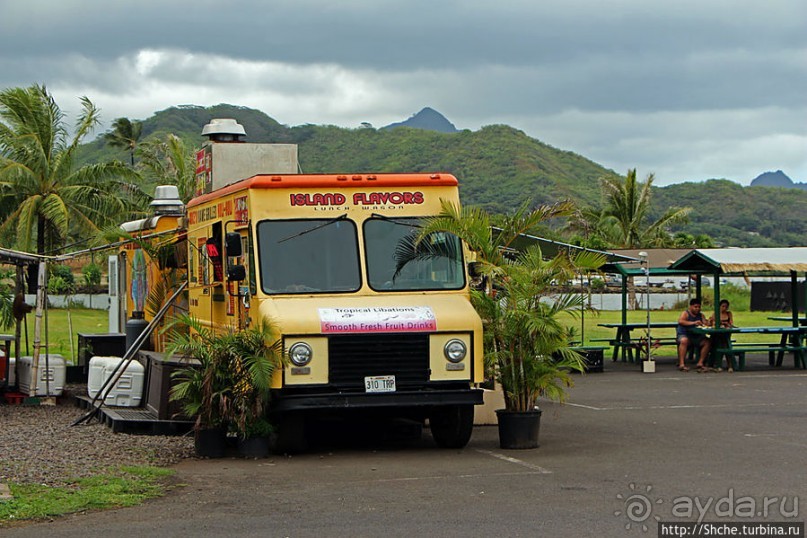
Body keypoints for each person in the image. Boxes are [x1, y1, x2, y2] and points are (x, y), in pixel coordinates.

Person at [676, 298, 711, 372]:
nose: (697, 309)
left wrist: (707, 322)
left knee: (707, 342)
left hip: (696, 336)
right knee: (684, 341)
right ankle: (681, 364)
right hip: (684, 334)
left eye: (699, 307)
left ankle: (700, 362)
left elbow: (705, 323)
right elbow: (681, 321)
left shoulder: (701, 315)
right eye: (695, 307)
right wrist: (693, 323)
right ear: (691, 306)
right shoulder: (685, 313)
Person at [709, 299, 736, 372]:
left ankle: (730, 365)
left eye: (726, 306)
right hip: (716, 335)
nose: (724, 308)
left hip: (726, 334)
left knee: (726, 345)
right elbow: (712, 323)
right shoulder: (715, 313)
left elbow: (731, 323)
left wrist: (727, 324)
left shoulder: (729, 314)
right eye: (723, 306)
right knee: (718, 344)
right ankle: (716, 363)